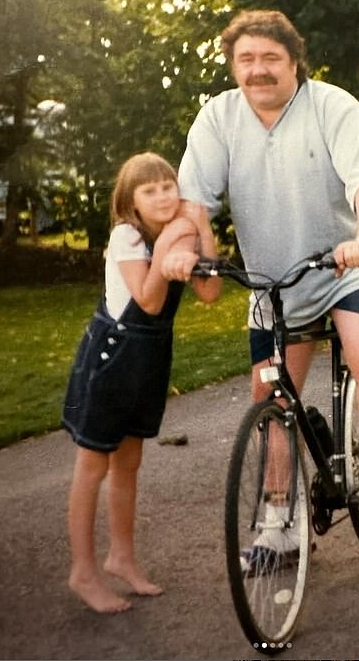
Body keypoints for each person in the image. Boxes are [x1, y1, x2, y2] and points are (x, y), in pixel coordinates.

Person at [163, 9, 359, 559]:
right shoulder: (218, 118)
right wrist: (187, 248)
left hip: (347, 266)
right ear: (232, 65)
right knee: (272, 402)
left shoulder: (333, 107)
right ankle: (280, 522)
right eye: (246, 59)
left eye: (270, 58)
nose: (258, 70)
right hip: (275, 280)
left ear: (294, 60)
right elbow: (192, 202)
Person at [62, 152, 221, 613]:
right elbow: (150, 302)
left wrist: (202, 232)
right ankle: (83, 571)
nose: (163, 195)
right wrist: (173, 238)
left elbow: (210, 293)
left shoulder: (180, 231)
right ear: (130, 201)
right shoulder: (128, 236)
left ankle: (122, 557)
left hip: (148, 359)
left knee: (129, 463)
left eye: (168, 186)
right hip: (112, 356)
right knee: (93, 464)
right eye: (149, 191)